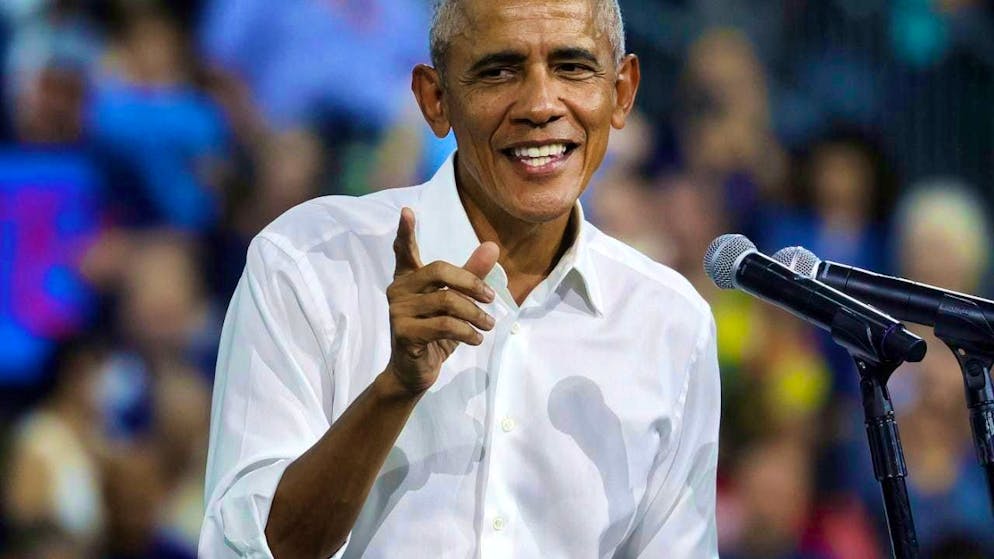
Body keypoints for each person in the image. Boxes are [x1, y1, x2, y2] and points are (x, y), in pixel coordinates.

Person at [199, 1, 721, 557]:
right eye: (499, 71)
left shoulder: (671, 322)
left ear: (621, 92)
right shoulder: (308, 263)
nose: (541, 105)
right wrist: (394, 389)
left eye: (572, 67)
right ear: (435, 99)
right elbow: (246, 549)